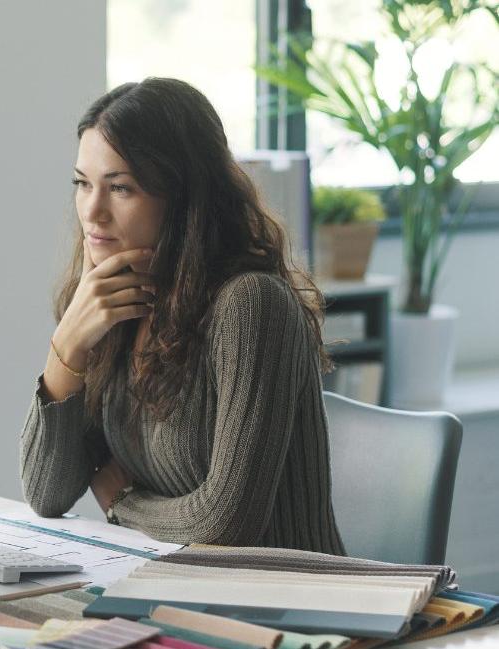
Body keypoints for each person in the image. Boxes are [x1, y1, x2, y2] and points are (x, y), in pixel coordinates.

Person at [20, 78, 345, 555]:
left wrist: (124, 503)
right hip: (173, 589)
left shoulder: (252, 305)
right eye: (83, 183)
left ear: (184, 196)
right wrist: (66, 347)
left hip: (282, 601)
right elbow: (47, 494)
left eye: (121, 188)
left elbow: (227, 525)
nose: (93, 211)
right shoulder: (111, 304)